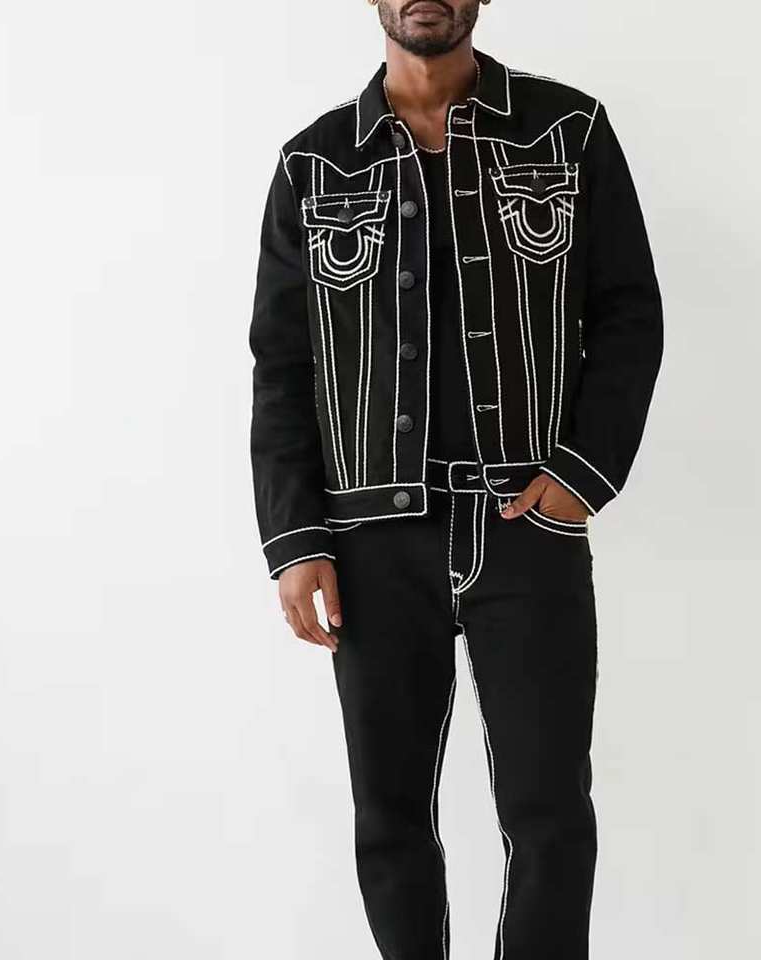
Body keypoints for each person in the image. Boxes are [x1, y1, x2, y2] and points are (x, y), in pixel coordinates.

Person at [248, 2, 663, 956]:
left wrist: (582, 473)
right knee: (389, 814)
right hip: (369, 540)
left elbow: (629, 312)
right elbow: (282, 364)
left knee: (550, 811)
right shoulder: (314, 164)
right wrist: (295, 539)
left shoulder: (568, 131)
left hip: (527, 525)